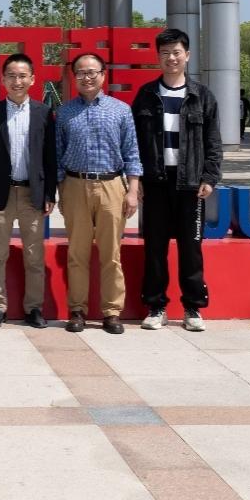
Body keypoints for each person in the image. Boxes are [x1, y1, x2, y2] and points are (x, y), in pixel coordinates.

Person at [131, 29, 222, 334]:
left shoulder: (202, 96)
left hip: (190, 183)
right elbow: (134, 142)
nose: (171, 58)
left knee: (191, 248)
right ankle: (156, 306)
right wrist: (136, 179)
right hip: (155, 181)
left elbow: (213, 141)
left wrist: (210, 176)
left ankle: (193, 307)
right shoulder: (146, 94)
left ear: (187, 55)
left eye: (176, 52)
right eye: (165, 53)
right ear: (158, 57)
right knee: (155, 247)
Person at [54, 53, 141, 335]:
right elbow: (57, 154)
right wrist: (61, 190)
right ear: (74, 77)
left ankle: (111, 312)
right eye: (81, 72)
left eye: (92, 72)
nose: (87, 77)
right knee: (77, 253)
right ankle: (76, 310)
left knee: (111, 254)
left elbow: (132, 152)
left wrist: (132, 191)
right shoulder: (64, 112)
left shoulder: (121, 110)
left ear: (103, 74)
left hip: (111, 186)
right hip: (75, 185)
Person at [0, 53, 57, 329]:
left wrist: (49, 194)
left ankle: (33, 308)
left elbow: (50, 157)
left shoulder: (43, 113)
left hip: (32, 195)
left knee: (34, 256)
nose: (17, 81)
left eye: (23, 76)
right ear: (3, 80)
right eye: (11, 76)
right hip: (1, 194)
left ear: (32, 79)